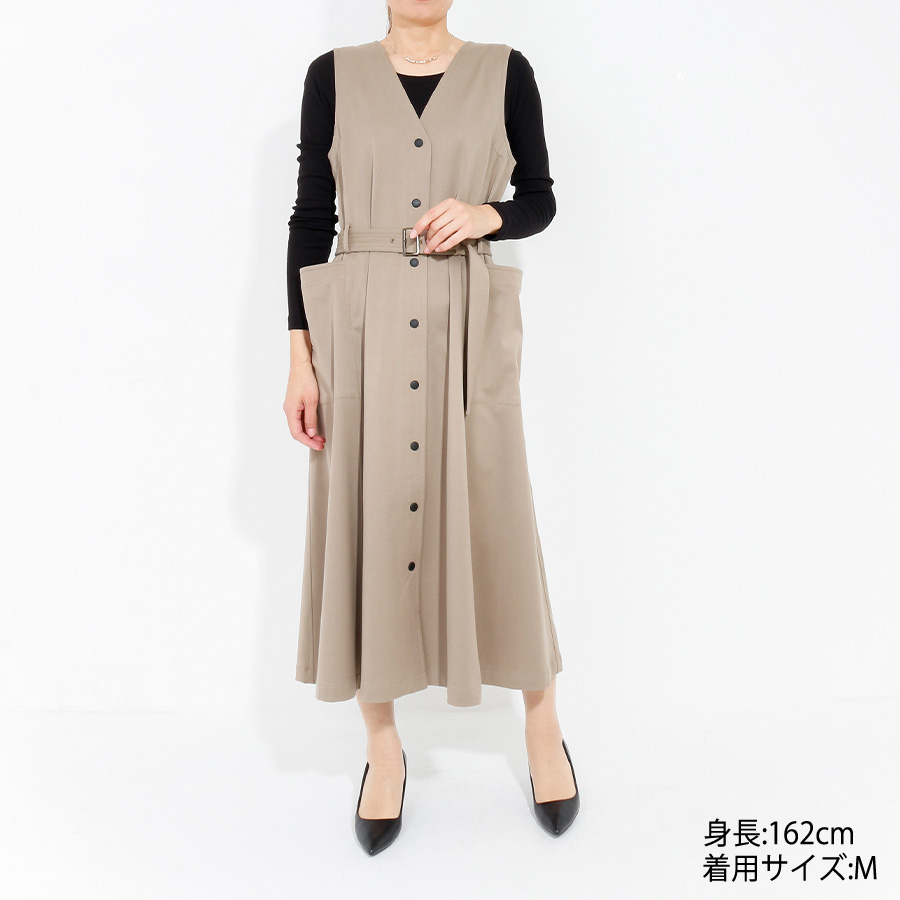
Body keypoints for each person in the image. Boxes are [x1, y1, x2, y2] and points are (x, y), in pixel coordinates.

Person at [283, 1, 580, 855]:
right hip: (361, 331)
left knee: (498, 518)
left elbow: (540, 200)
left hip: (466, 323)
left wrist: (490, 215)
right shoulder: (332, 76)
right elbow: (310, 218)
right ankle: (383, 748)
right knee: (365, 520)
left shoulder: (506, 71)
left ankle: (543, 725)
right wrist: (300, 358)